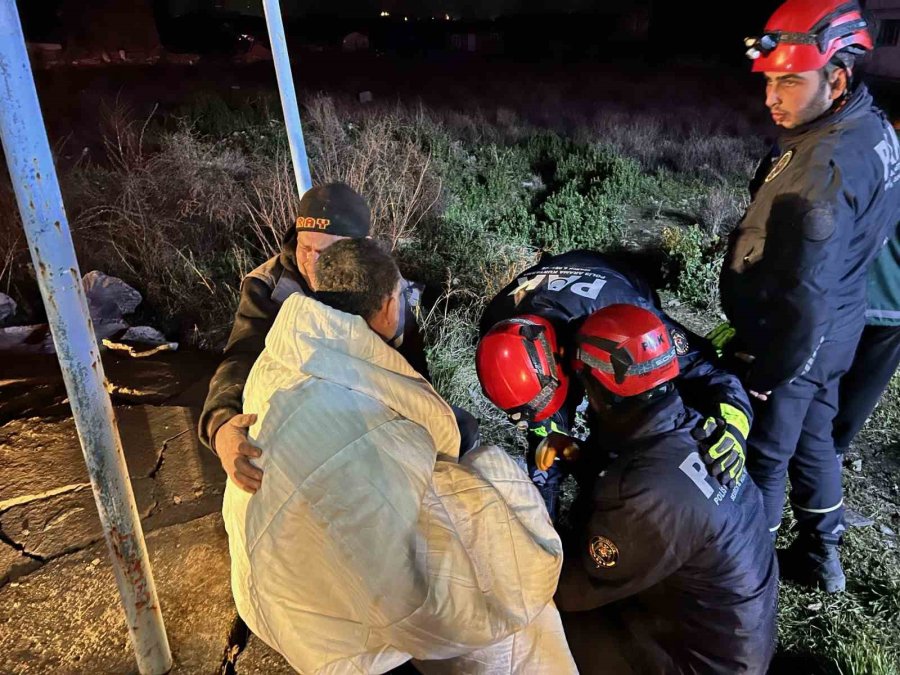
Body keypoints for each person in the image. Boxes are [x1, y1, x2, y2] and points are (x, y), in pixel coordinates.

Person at [222, 239, 576, 674]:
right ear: (390, 305)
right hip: (327, 638)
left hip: (269, 593)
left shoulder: (281, 357)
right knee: (518, 627)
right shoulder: (378, 431)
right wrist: (489, 467)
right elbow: (431, 607)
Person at [720, 0, 900, 592]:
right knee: (817, 441)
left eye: (791, 81)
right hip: (841, 324)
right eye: (771, 80)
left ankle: (750, 579)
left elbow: (803, 293)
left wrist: (770, 368)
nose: (773, 97)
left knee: (766, 458)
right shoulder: (871, 126)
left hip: (800, 338)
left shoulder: (822, 173)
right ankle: (824, 561)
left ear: (838, 77)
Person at [199, 182, 477, 493]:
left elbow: (411, 368)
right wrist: (221, 425)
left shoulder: (384, 281)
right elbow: (239, 357)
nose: (314, 263)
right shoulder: (267, 286)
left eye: (328, 250)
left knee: (460, 430)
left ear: (361, 246)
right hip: (304, 412)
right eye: (306, 248)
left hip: (370, 401)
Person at [554, 305, 777, 675]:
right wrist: (581, 460)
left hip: (703, 663)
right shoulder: (696, 429)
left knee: (554, 626)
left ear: (603, 388)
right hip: (731, 640)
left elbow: (571, 588)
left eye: (582, 378)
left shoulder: (646, 491)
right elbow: (650, 479)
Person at [477, 249, 752, 520]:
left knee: (643, 405)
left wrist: (735, 424)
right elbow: (538, 421)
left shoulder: (623, 314)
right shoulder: (496, 329)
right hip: (560, 318)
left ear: (563, 360)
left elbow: (707, 370)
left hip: (615, 285)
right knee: (547, 439)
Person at [834, 222, 900, 462]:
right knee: (862, 388)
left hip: (846, 288)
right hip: (891, 303)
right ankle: (831, 455)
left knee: (816, 374)